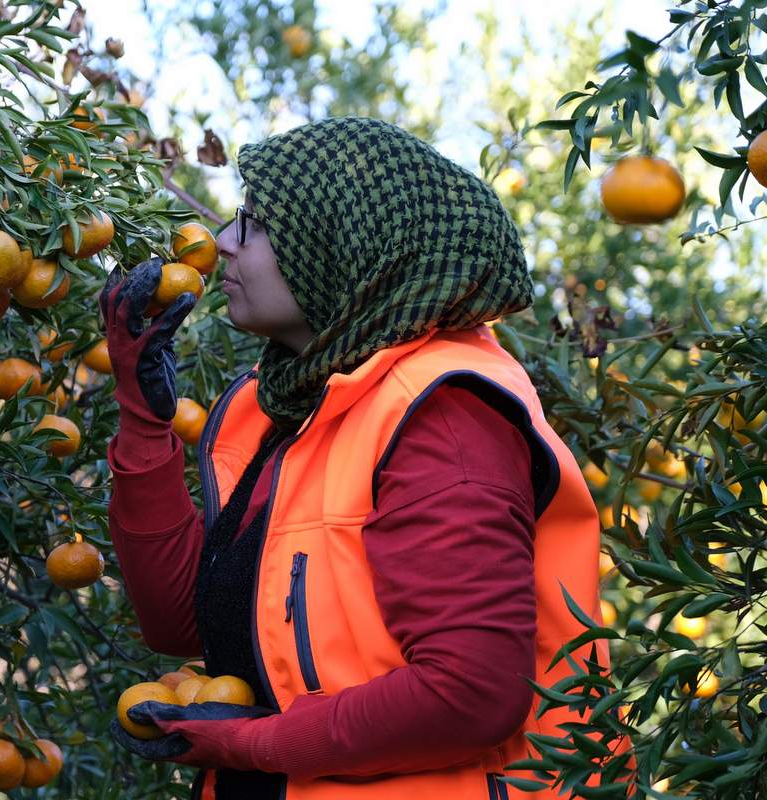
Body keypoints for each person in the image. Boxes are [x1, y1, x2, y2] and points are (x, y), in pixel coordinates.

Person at [102, 116, 608, 800]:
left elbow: (473, 693)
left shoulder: (442, 414)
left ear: (339, 243)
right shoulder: (287, 406)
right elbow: (181, 623)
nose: (222, 241)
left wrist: (255, 745)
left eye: (255, 223)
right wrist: (141, 415)